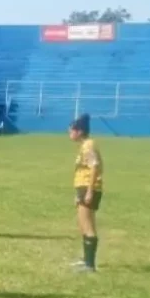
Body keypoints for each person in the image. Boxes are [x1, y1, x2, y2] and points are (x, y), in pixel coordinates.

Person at [69, 114, 103, 272]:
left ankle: (90, 265)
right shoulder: (85, 145)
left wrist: (89, 191)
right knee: (83, 225)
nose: (69, 132)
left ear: (80, 131)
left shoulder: (88, 146)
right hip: (82, 188)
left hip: (88, 188)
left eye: (72, 130)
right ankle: (85, 259)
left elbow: (94, 167)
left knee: (88, 226)